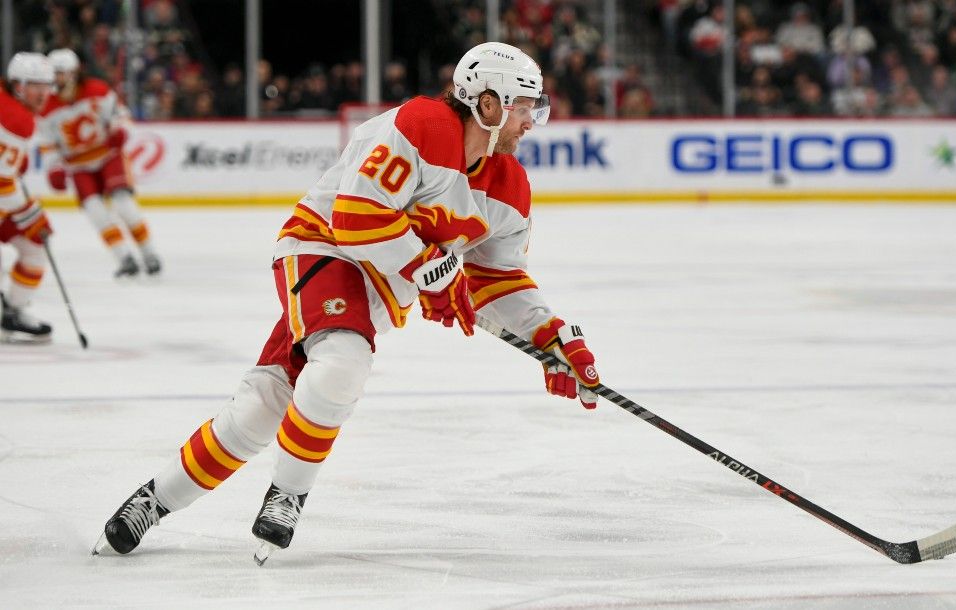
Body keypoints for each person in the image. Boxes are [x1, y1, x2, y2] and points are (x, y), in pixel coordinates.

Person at [93, 42, 602, 564]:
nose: (531, 122)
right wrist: (429, 269)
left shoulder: (510, 185)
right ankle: (289, 493)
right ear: (488, 104)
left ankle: (152, 499)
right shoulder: (423, 124)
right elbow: (356, 217)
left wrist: (550, 337)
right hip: (323, 249)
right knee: (343, 361)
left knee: (262, 406)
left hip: (374, 292)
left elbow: (497, 279)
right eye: (524, 107)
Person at [37, 48, 162, 278]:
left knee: (124, 205)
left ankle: (149, 253)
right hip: (77, 165)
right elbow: (47, 143)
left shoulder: (97, 89)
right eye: (53, 74)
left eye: (60, 73)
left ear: (73, 72)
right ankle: (124, 257)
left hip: (108, 156)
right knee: (96, 213)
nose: (55, 79)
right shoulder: (45, 106)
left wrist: (120, 130)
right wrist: (54, 167)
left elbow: (120, 115)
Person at [0, 53, 55, 344]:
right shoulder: (15, 118)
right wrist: (31, 214)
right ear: (18, 86)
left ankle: (13, 312)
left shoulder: (13, 108)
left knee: (34, 247)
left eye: (47, 86)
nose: (44, 93)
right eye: (36, 86)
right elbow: (2, 183)